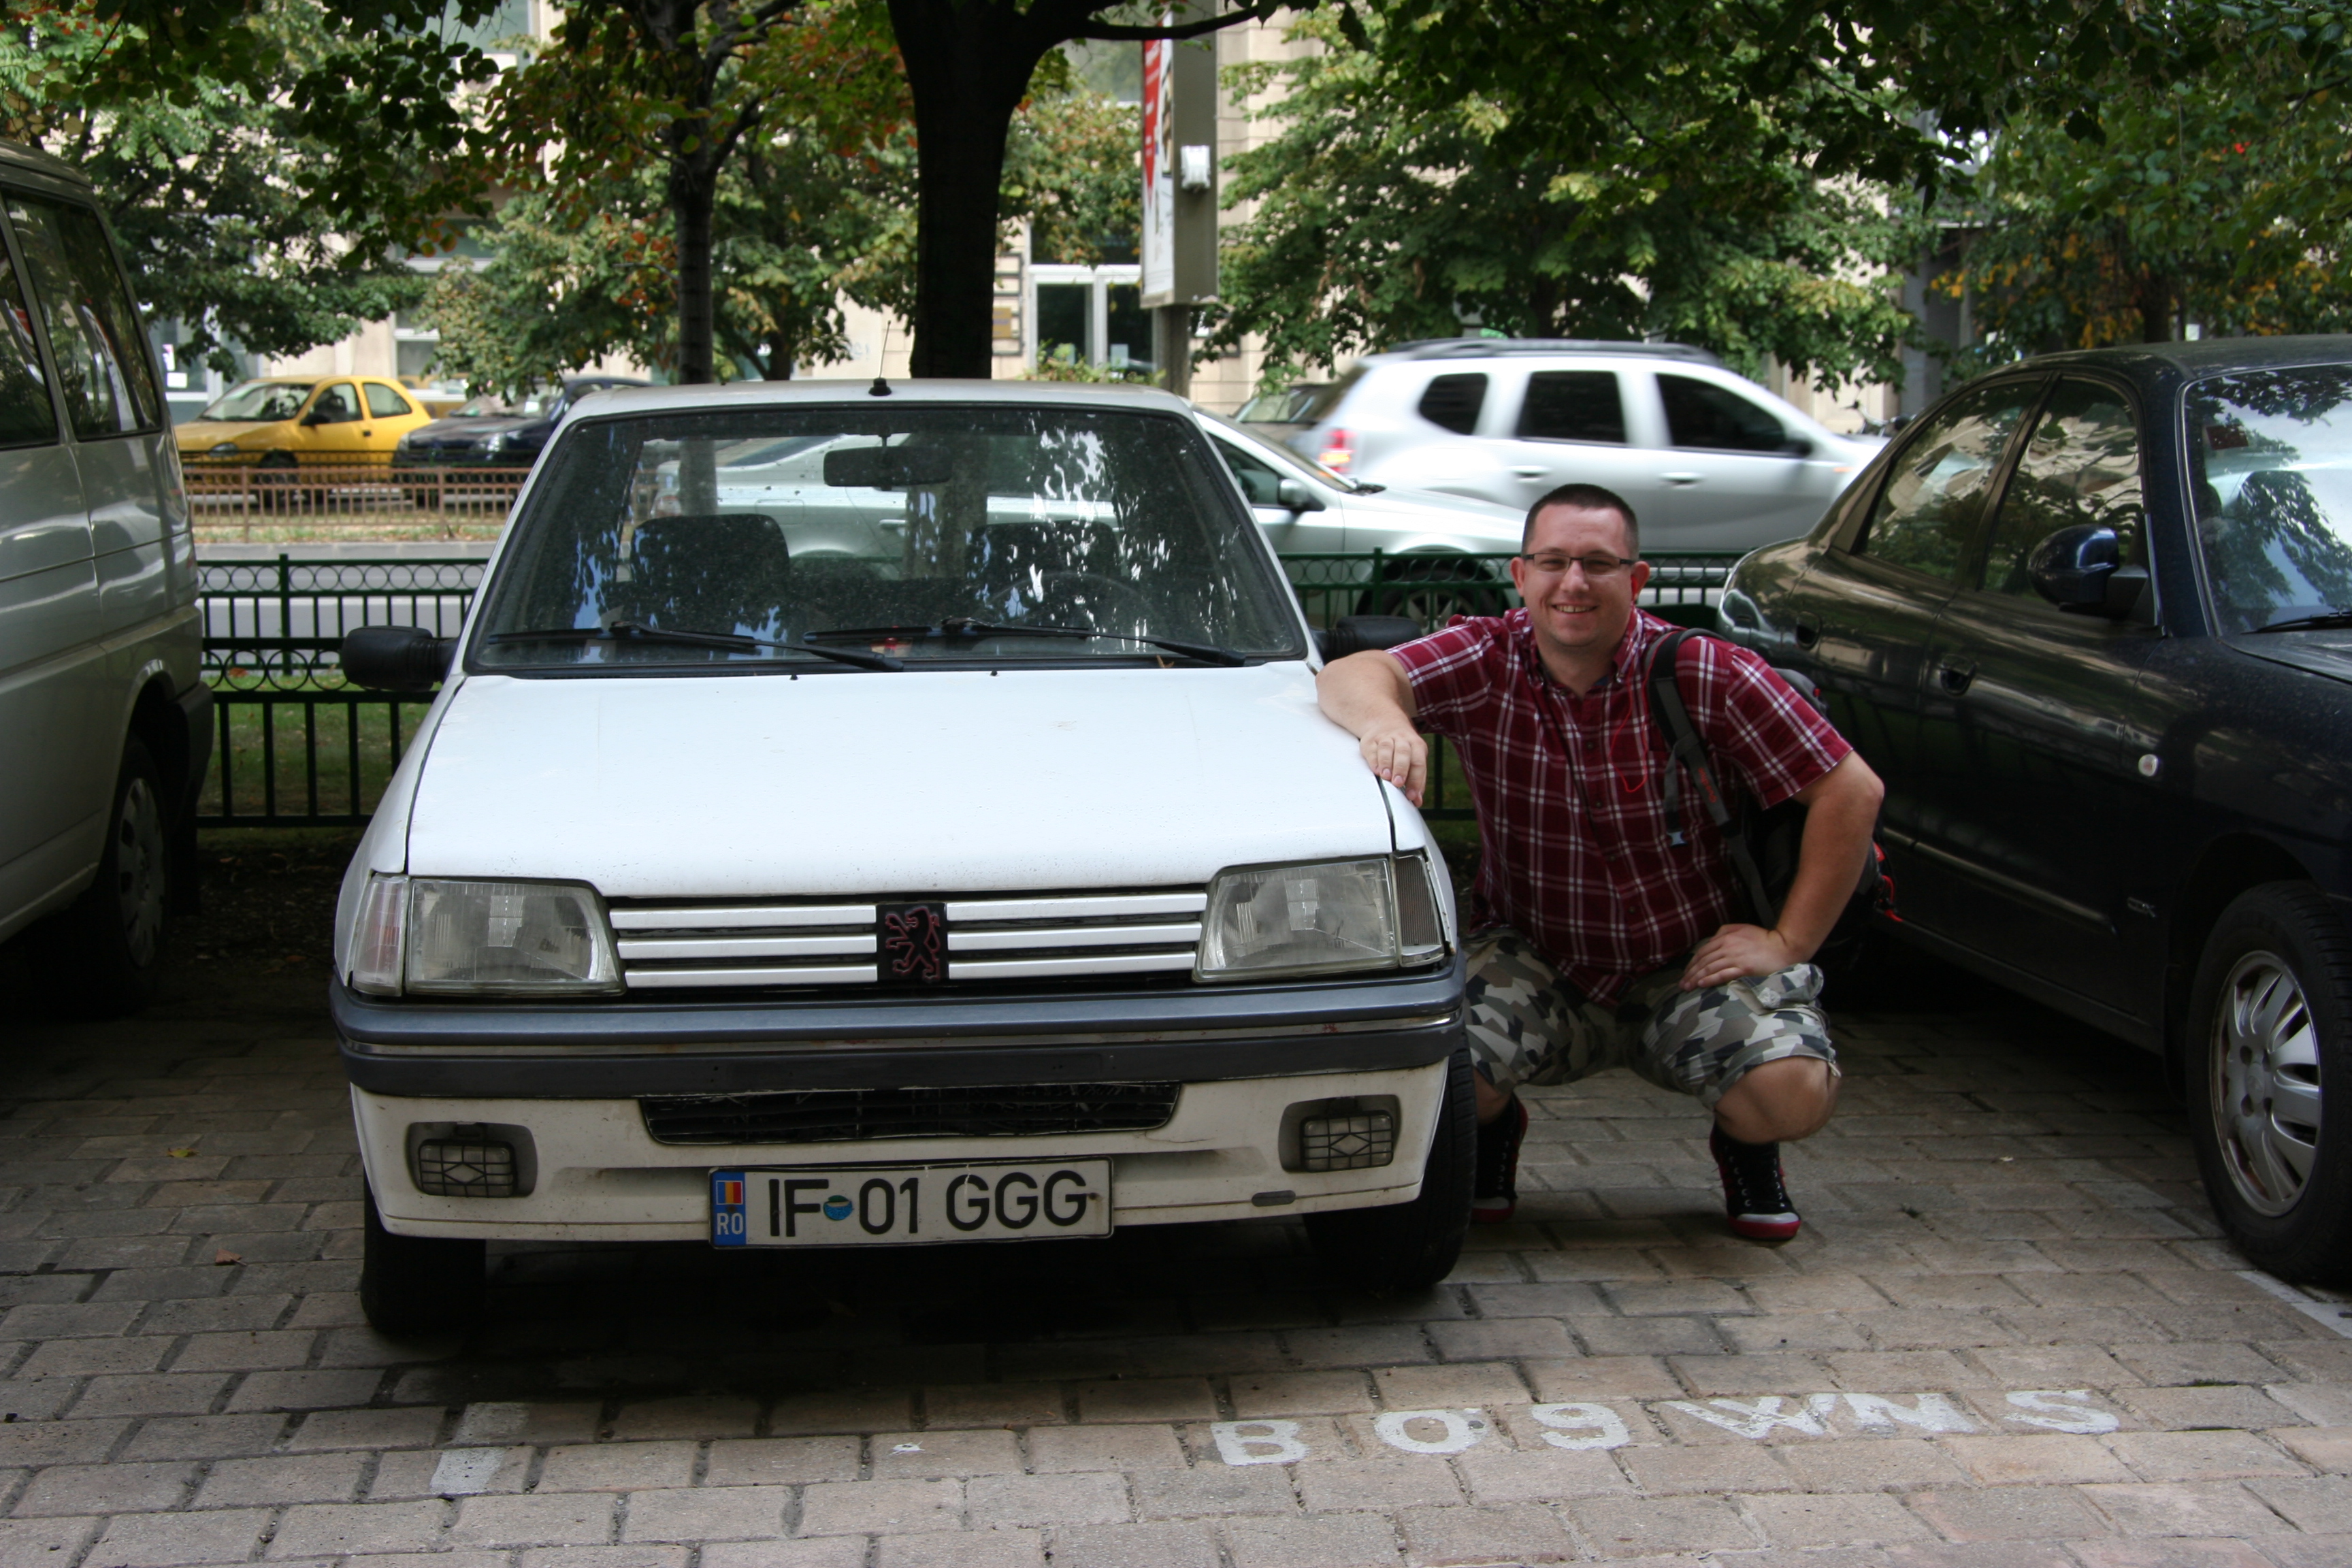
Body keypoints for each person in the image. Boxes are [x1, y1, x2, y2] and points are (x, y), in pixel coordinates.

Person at [1316, 483, 1884, 1239]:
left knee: (1791, 1093)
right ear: (1521, 576)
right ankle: (1489, 1133)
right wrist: (1389, 723)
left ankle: (1748, 1146)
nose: (1573, 583)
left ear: (1636, 578)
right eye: (1553, 562)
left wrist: (1789, 941)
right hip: (1538, 959)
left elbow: (1851, 790)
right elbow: (1350, 674)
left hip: (1688, 963)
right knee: (1433, 1070)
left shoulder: (1703, 671)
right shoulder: (1488, 655)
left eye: (1597, 563)